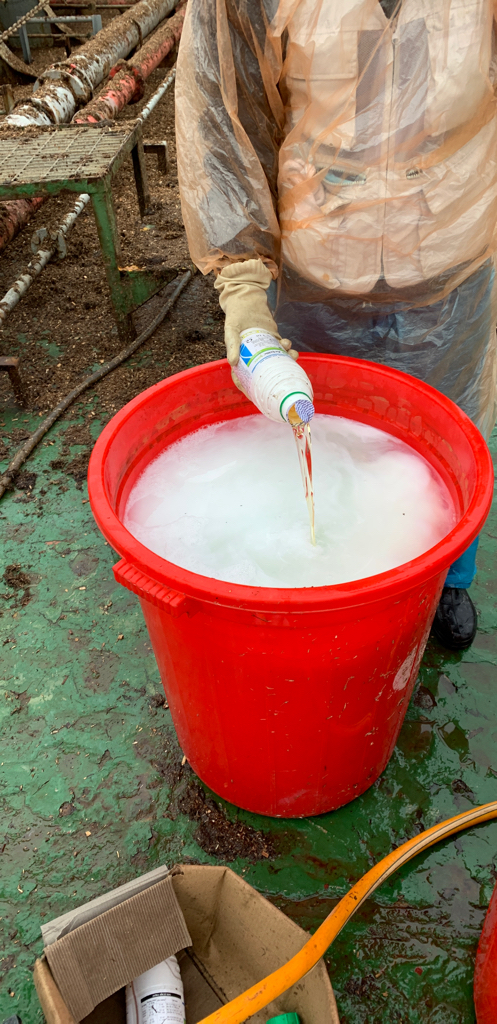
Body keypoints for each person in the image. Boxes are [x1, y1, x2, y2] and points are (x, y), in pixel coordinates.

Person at [175, 0, 497, 650]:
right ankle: (326, 589)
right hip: (317, 277)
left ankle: (445, 579)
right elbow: (226, 123)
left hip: (452, 270)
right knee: (319, 443)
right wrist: (243, 289)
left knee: (452, 438)